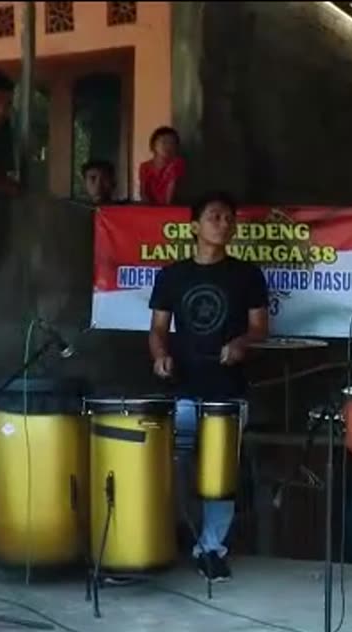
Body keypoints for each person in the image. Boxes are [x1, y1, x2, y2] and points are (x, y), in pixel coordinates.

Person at [148, 191, 268, 581]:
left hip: (228, 390)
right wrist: (160, 356)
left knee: (220, 471)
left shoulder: (247, 275)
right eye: (215, 217)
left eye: (229, 218)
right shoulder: (172, 275)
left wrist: (240, 344)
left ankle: (212, 547)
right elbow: (157, 329)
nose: (223, 223)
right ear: (195, 226)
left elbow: (259, 328)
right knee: (177, 464)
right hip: (183, 388)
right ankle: (176, 535)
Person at [139, 126, 185, 205]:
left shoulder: (177, 163)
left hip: (172, 207)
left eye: (172, 143)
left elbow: (171, 191)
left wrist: (166, 209)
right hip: (151, 208)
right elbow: (143, 192)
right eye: (164, 142)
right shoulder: (144, 166)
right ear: (153, 145)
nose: (168, 146)